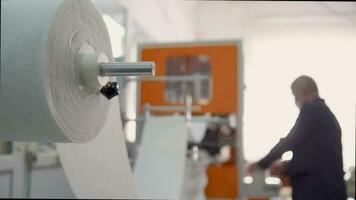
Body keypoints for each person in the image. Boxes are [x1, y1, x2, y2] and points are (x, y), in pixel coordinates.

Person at [247, 75, 347, 200]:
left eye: (295, 96)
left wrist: (261, 164)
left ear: (305, 91)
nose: (296, 102)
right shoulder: (325, 115)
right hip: (329, 188)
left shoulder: (313, 110)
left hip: (317, 190)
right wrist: (287, 166)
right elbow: (315, 155)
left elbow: (291, 140)